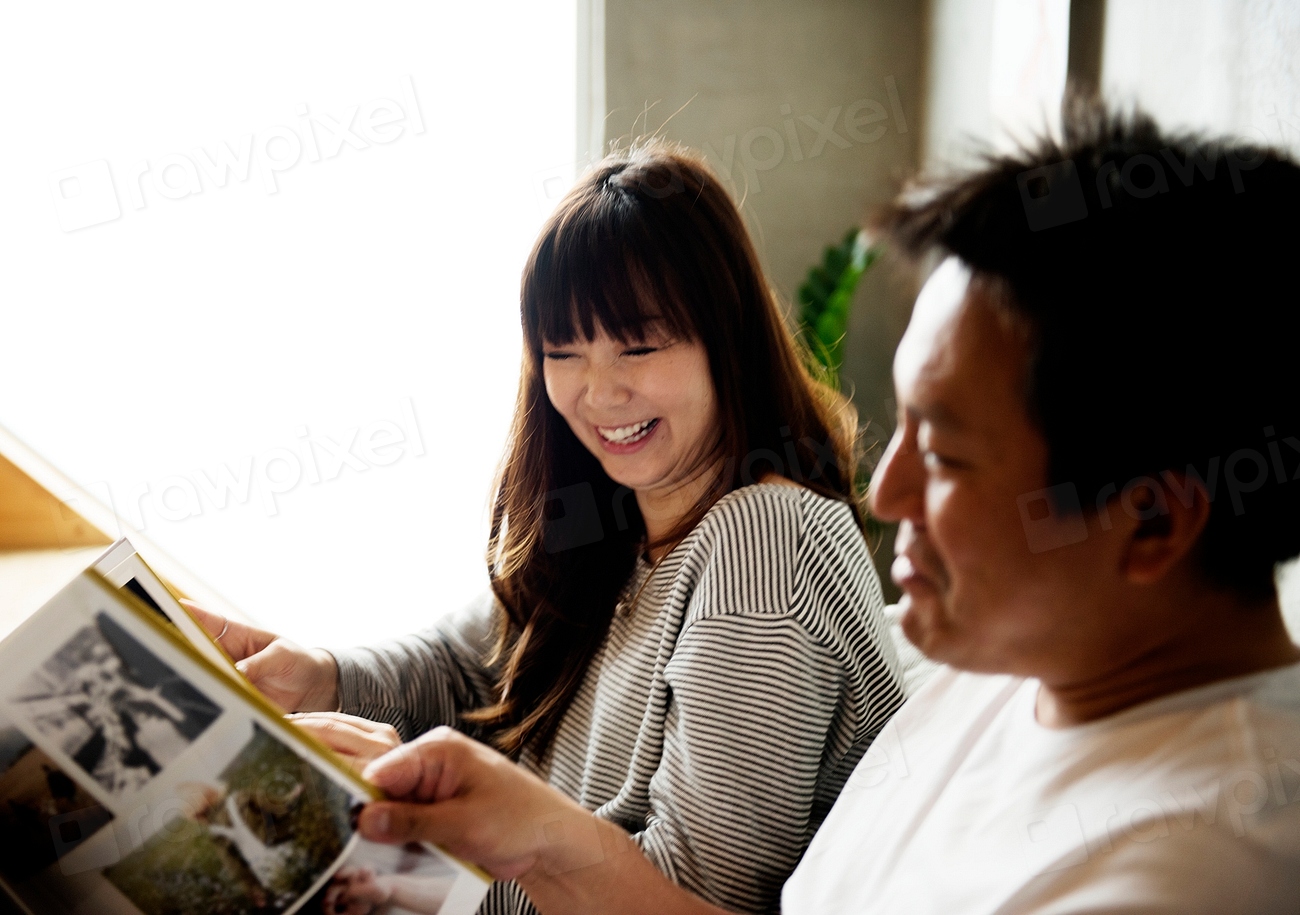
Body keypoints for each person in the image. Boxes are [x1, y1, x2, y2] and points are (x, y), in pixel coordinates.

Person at [338, 99, 1300, 913]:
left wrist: (499, 854)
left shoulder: (1190, 867)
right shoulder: (1020, 670)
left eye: (950, 455)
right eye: (564, 354)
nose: (884, 493)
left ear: (1155, 521)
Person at [189, 141, 906, 914]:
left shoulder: (766, 541)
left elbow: (699, 893)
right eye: (564, 351)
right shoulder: (614, 518)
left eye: (639, 344)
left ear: (724, 336)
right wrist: (319, 675)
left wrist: (413, 859)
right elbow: (465, 664)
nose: (600, 392)